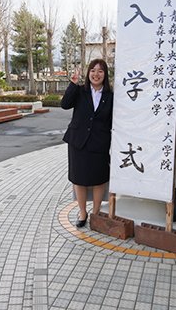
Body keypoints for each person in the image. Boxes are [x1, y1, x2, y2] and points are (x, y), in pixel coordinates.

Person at [61, 59, 113, 227]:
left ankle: (96, 212)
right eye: (93, 70)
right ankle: (82, 212)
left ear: (105, 75)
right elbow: (65, 105)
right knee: (79, 179)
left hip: (100, 143)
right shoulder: (80, 91)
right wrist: (72, 85)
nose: (96, 74)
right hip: (78, 142)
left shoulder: (111, 95)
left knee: (99, 179)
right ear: (88, 73)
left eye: (100, 71)